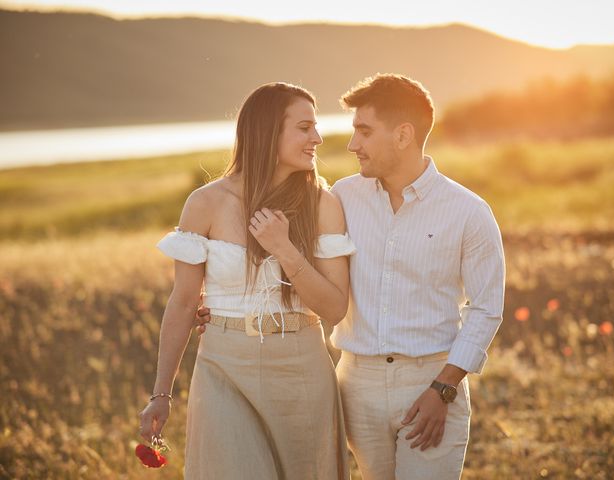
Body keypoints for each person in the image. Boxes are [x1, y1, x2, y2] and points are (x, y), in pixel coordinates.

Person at [197, 73, 505, 480]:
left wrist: (443, 388)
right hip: (356, 384)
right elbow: (277, 248)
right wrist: (218, 302)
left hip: (431, 382)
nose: (351, 143)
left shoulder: (468, 212)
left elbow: (486, 309)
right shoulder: (339, 197)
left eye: (364, 130)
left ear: (403, 135)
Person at [138, 82, 355, 480]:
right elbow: (184, 303)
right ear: (268, 131)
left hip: (301, 369)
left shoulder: (323, 203)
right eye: (305, 128)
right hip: (223, 367)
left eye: (316, 127)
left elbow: (334, 308)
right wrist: (161, 394)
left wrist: (285, 249)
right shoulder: (205, 202)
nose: (318, 138)